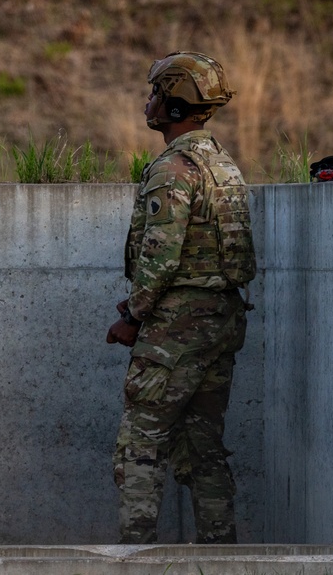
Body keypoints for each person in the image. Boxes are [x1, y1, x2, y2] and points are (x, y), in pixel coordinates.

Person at [106, 51, 256, 544]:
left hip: (178, 329)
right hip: (221, 322)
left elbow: (160, 258)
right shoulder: (223, 166)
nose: (147, 102)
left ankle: (136, 556)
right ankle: (222, 557)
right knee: (203, 447)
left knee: (140, 443)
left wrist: (133, 315)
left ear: (174, 106)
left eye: (155, 94)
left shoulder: (174, 169)